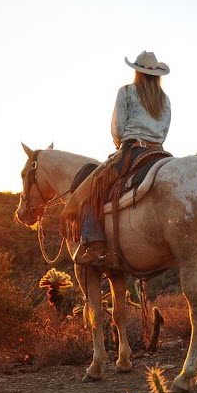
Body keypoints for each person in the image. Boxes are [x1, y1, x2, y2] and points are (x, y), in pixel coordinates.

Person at [69, 50, 172, 265]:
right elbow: (164, 129)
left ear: (138, 72)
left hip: (132, 150)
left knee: (92, 187)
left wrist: (120, 146)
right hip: (160, 152)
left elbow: (117, 128)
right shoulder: (165, 100)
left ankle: (94, 244)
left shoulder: (126, 92)